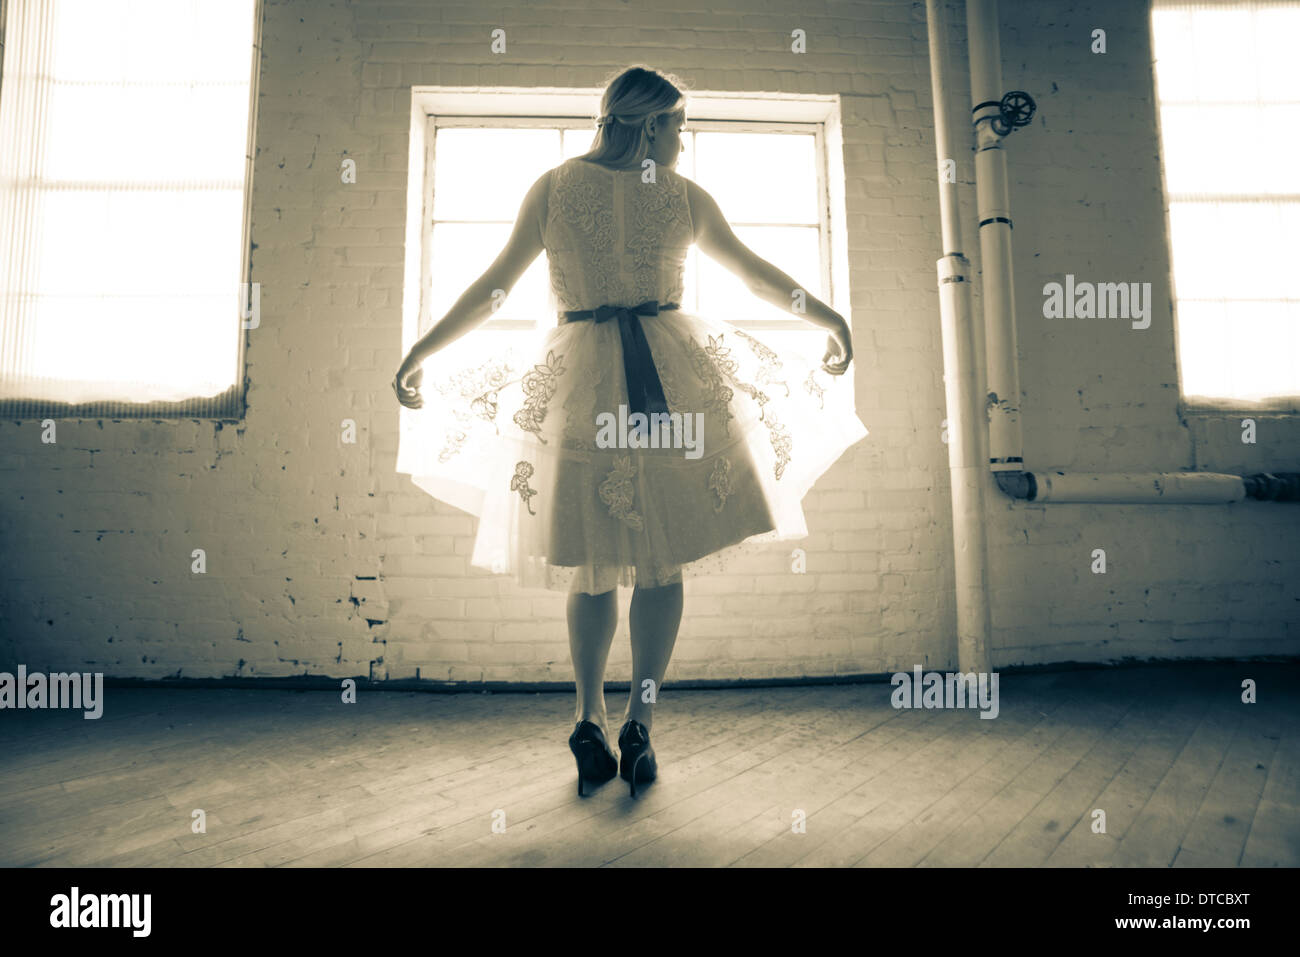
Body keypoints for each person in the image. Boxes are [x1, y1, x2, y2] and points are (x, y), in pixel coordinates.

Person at [393, 65, 868, 798]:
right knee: (661, 561)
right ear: (650, 125)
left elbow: (494, 289)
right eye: (678, 126)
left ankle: (590, 718)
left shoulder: (554, 187)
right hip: (668, 383)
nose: (683, 140)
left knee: (592, 562)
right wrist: (827, 317)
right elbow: (755, 277)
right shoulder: (680, 196)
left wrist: (423, 350)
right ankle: (639, 721)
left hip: (580, 385)